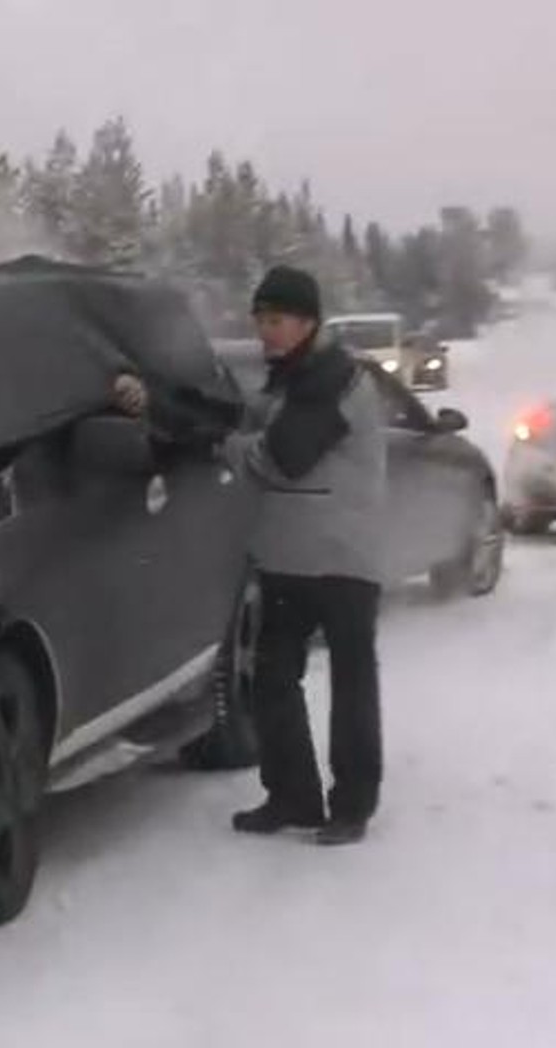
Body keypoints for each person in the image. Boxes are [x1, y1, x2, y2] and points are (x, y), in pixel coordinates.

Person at [221, 265, 388, 847]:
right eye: (260, 319)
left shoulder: (336, 379)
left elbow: (283, 456)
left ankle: (352, 806)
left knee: (351, 683)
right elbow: (248, 420)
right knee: (272, 678)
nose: (265, 331)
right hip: (288, 556)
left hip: (343, 559)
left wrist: (226, 445)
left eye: (276, 320)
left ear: (308, 323)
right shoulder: (286, 379)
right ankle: (292, 795)